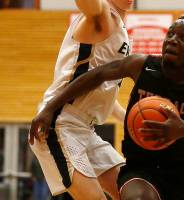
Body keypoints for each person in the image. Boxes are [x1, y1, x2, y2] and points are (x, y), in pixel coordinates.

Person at [30, 15, 184, 200]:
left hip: (181, 170)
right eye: (170, 34)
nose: (173, 40)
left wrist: (181, 129)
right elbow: (96, 75)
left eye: (183, 37)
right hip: (139, 169)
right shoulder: (142, 65)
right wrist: (50, 107)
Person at [28, 0, 134, 199]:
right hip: (59, 123)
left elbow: (103, 94)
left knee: (131, 190)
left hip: (86, 129)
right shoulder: (102, 14)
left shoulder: (122, 31)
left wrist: (132, 120)